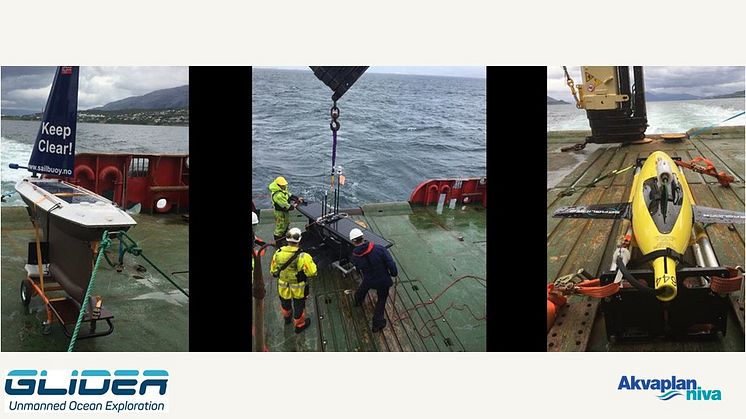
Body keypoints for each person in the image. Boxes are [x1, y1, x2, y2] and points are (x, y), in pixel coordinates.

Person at [349, 228, 398, 332]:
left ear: (353, 241)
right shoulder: (379, 249)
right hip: (383, 280)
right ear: (363, 237)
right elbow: (391, 263)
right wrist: (394, 273)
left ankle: (357, 301)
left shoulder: (354, 257)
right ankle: (377, 324)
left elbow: (357, 268)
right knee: (381, 300)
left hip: (369, 280)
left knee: (363, 288)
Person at [270, 227, 317, 333]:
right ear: (299, 240)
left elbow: (273, 270)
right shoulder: (303, 256)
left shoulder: (278, 253)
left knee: (285, 303)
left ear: (287, 240)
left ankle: (287, 319)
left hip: (282, 285)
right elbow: (312, 272)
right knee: (299, 306)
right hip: (298, 288)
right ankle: (299, 325)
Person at [267, 176, 303, 245]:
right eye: (283, 185)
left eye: (284, 185)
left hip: (285, 213)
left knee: (286, 224)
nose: (284, 186)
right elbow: (286, 207)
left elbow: (289, 195)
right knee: (280, 228)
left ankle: (283, 238)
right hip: (280, 213)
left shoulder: (282, 189)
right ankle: (278, 243)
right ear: (278, 185)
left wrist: (297, 198)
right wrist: (294, 205)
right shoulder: (278, 195)